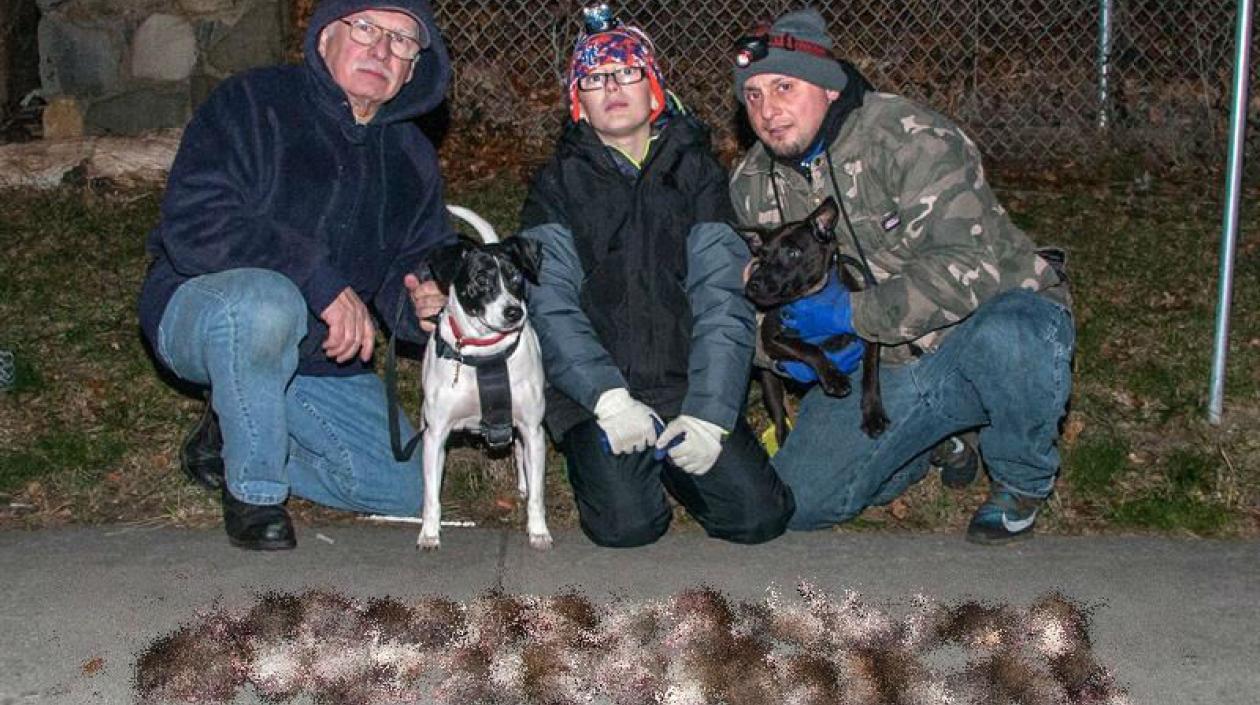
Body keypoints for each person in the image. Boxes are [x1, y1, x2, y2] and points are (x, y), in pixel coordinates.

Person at [729, 7, 1074, 544]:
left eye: (784, 87)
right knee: (797, 503)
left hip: (971, 333)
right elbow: (743, 302)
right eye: (752, 95)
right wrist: (778, 350)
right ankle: (931, 442)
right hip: (881, 369)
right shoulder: (753, 182)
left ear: (829, 88)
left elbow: (967, 264)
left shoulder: (910, 136)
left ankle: (1019, 481)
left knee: (1018, 333)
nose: (768, 110)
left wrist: (853, 314)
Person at [138, 0, 454, 550]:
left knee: (408, 487)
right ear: (326, 36)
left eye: (402, 41)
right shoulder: (254, 102)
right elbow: (195, 225)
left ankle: (233, 428)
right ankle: (255, 494)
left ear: (413, 68)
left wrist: (424, 306)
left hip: (313, 357)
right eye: (365, 28)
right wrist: (319, 279)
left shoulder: (411, 155)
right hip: (205, 310)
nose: (381, 49)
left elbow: (412, 267)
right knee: (268, 301)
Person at [519, 5, 795, 548]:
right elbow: (549, 304)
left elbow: (722, 295)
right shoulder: (555, 185)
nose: (612, 87)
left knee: (758, 519)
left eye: (627, 72)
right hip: (597, 398)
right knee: (627, 528)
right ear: (579, 102)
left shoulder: (698, 174)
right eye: (594, 79)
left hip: (683, 386)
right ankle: (638, 467)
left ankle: (678, 456)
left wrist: (711, 415)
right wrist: (607, 400)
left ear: (654, 91)